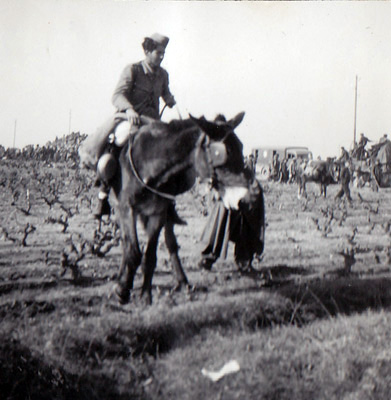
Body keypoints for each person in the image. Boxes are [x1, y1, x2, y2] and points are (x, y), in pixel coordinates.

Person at [80, 33, 176, 218]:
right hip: (131, 120)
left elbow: (165, 93)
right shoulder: (132, 70)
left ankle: (168, 201)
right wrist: (130, 110)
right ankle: (103, 195)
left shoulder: (163, 74)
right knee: (119, 142)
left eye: (164, 53)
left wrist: (169, 99)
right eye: (158, 53)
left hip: (153, 123)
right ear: (147, 51)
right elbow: (117, 95)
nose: (162, 56)